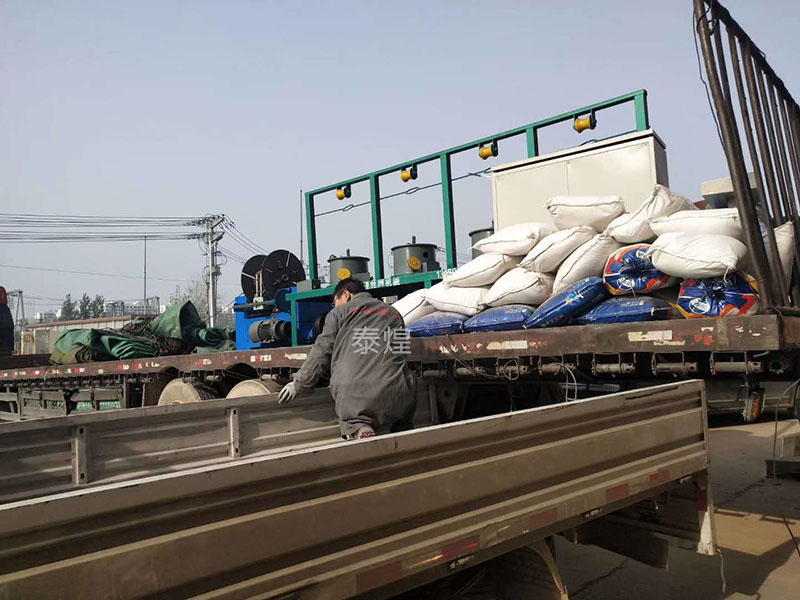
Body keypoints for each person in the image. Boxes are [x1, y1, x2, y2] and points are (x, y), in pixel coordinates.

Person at [278, 278, 415, 439]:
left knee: (350, 413)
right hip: (398, 394)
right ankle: (402, 426)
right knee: (405, 389)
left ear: (345, 294)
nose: (334, 306)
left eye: (334, 302)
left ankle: (359, 426)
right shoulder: (393, 313)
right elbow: (400, 353)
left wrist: (299, 384)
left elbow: (322, 351)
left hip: (356, 396)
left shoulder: (339, 313)